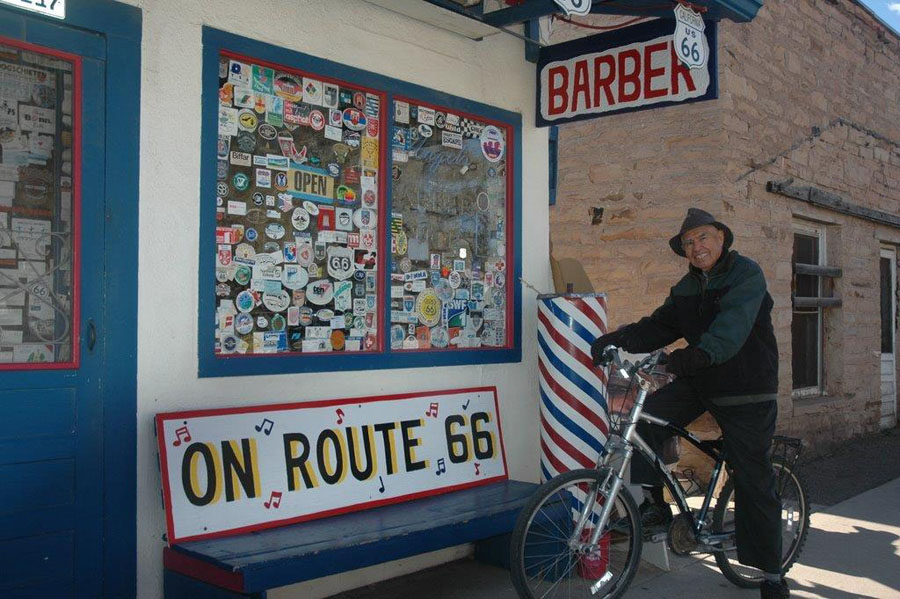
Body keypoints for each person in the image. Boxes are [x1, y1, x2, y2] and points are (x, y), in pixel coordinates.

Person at [590, 208, 788, 599]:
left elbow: (729, 332)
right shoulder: (687, 287)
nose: (696, 247)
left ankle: (771, 575)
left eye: (702, 238)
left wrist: (683, 360)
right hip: (702, 381)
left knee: (752, 478)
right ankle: (655, 506)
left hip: (746, 386)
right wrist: (617, 339)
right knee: (645, 416)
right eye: (688, 242)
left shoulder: (746, 275)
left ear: (721, 238)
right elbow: (661, 325)